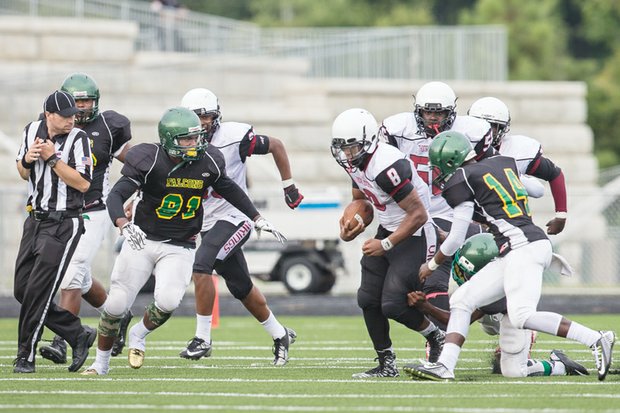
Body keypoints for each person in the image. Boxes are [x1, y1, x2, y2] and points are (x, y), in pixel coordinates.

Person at [81, 107, 284, 375]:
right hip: (142, 239)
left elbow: (229, 188)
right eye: (186, 139)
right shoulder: (148, 158)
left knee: (167, 302)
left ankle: (138, 334)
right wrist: (123, 223)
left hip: (180, 244)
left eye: (196, 138)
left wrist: (257, 218)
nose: (194, 144)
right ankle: (101, 364)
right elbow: (117, 195)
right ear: (167, 139)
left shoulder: (209, 160)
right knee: (116, 304)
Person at [404, 131, 615, 382]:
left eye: (439, 167)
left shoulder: (463, 177)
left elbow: (457, 235)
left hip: (523, 247)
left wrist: (432, 264)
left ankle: (596, 338)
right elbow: (536, 188)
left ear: (450, 162)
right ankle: (445, 366)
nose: (438, 173)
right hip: (518, 247)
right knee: (461, 300)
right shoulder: (502, 162)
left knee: (521, 315)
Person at [178, 88, 302, 366]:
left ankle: (202, 339)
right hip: (208, 222)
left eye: (206, 118)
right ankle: (279, 334)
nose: (201, 125)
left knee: (201, 265)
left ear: (216, 117)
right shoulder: (178, 141)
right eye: (195, 119)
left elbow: (276, 145)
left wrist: (288, 185)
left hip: (237, 217)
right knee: (241, 286)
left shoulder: (233, 137)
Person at [331, 108, 444, 378]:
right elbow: (362, 200)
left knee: (393, 304)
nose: (348, 153)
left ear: (369, 140)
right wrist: (353, 225)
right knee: (368, 299)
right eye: (343, 148)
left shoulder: (386, 166)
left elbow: (418, 214)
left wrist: (385, 245)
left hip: (416, 233)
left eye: (354, 146)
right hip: (389, 228)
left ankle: (436, 336)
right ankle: (386, 362)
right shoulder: (352, 161)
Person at [38, 73, 134, 366]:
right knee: (76, 277)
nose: (81, 107)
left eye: (87, 101)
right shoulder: (49, 126)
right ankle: (117, 313)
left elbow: (138, 166)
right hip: (61, 210)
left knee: (72, 271)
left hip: (94, 208)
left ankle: (62, 341)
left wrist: (132, 198)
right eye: (76, 101)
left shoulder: (108, 125)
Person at [381, 81, 490, 333]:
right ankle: (440, 341)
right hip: (421, 214)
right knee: (418, 286)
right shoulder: (398, 129)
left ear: (451, 112)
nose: (432, 118)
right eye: (427, 112)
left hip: (457, 211)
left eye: (439, 112)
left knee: (482, 279)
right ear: (417, 111)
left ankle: (497, 321)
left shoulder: (473, 132)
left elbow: (487, 172)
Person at [406, 233, 589, 378]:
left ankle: (559, 365)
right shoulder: (497, 254)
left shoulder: (499, 284)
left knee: (512, 370)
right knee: (469, 308)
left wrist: (426, 307)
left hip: (515, 320)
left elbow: (455, 320)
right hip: (492, 317)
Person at [13, 90, 97, 373]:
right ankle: (77, 334)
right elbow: (23, 172)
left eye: (74, 114)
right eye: (65, 115)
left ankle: (25, 355)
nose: (72, 119)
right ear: (48, 115)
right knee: (22, 289)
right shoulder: (31, 130)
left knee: (39, 290)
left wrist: (52, 159)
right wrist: (28, 159)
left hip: (63, 222)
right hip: (34, 219)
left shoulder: (79, 139)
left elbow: (83, 184)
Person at [467, 96, 567, 235]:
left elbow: (554, 174)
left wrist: (561, 216)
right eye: (480, 125)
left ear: (501, 128)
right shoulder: (457, 148)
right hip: (466, 221)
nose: (485, 131)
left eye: (491, 126)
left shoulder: (515, 150)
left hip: (508, 225)